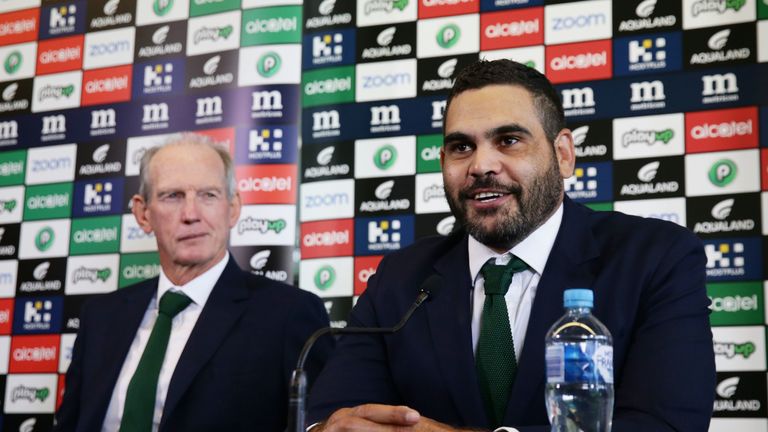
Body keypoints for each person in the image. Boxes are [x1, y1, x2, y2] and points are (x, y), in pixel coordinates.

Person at [307, 59, 715, 432]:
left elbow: (665, 424)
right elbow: (333, 414)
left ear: (564, 155)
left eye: (508, 140)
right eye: (461, 147)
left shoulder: (655, 258)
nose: (481, 165)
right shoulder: (400, 278)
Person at [55, 134, 332, 431]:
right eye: (172, 196)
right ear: (142, 213)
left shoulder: (288, 313)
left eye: (208, 195)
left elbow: (320, 423)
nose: (191, 214)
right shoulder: (100, 317)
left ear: (233, 208)